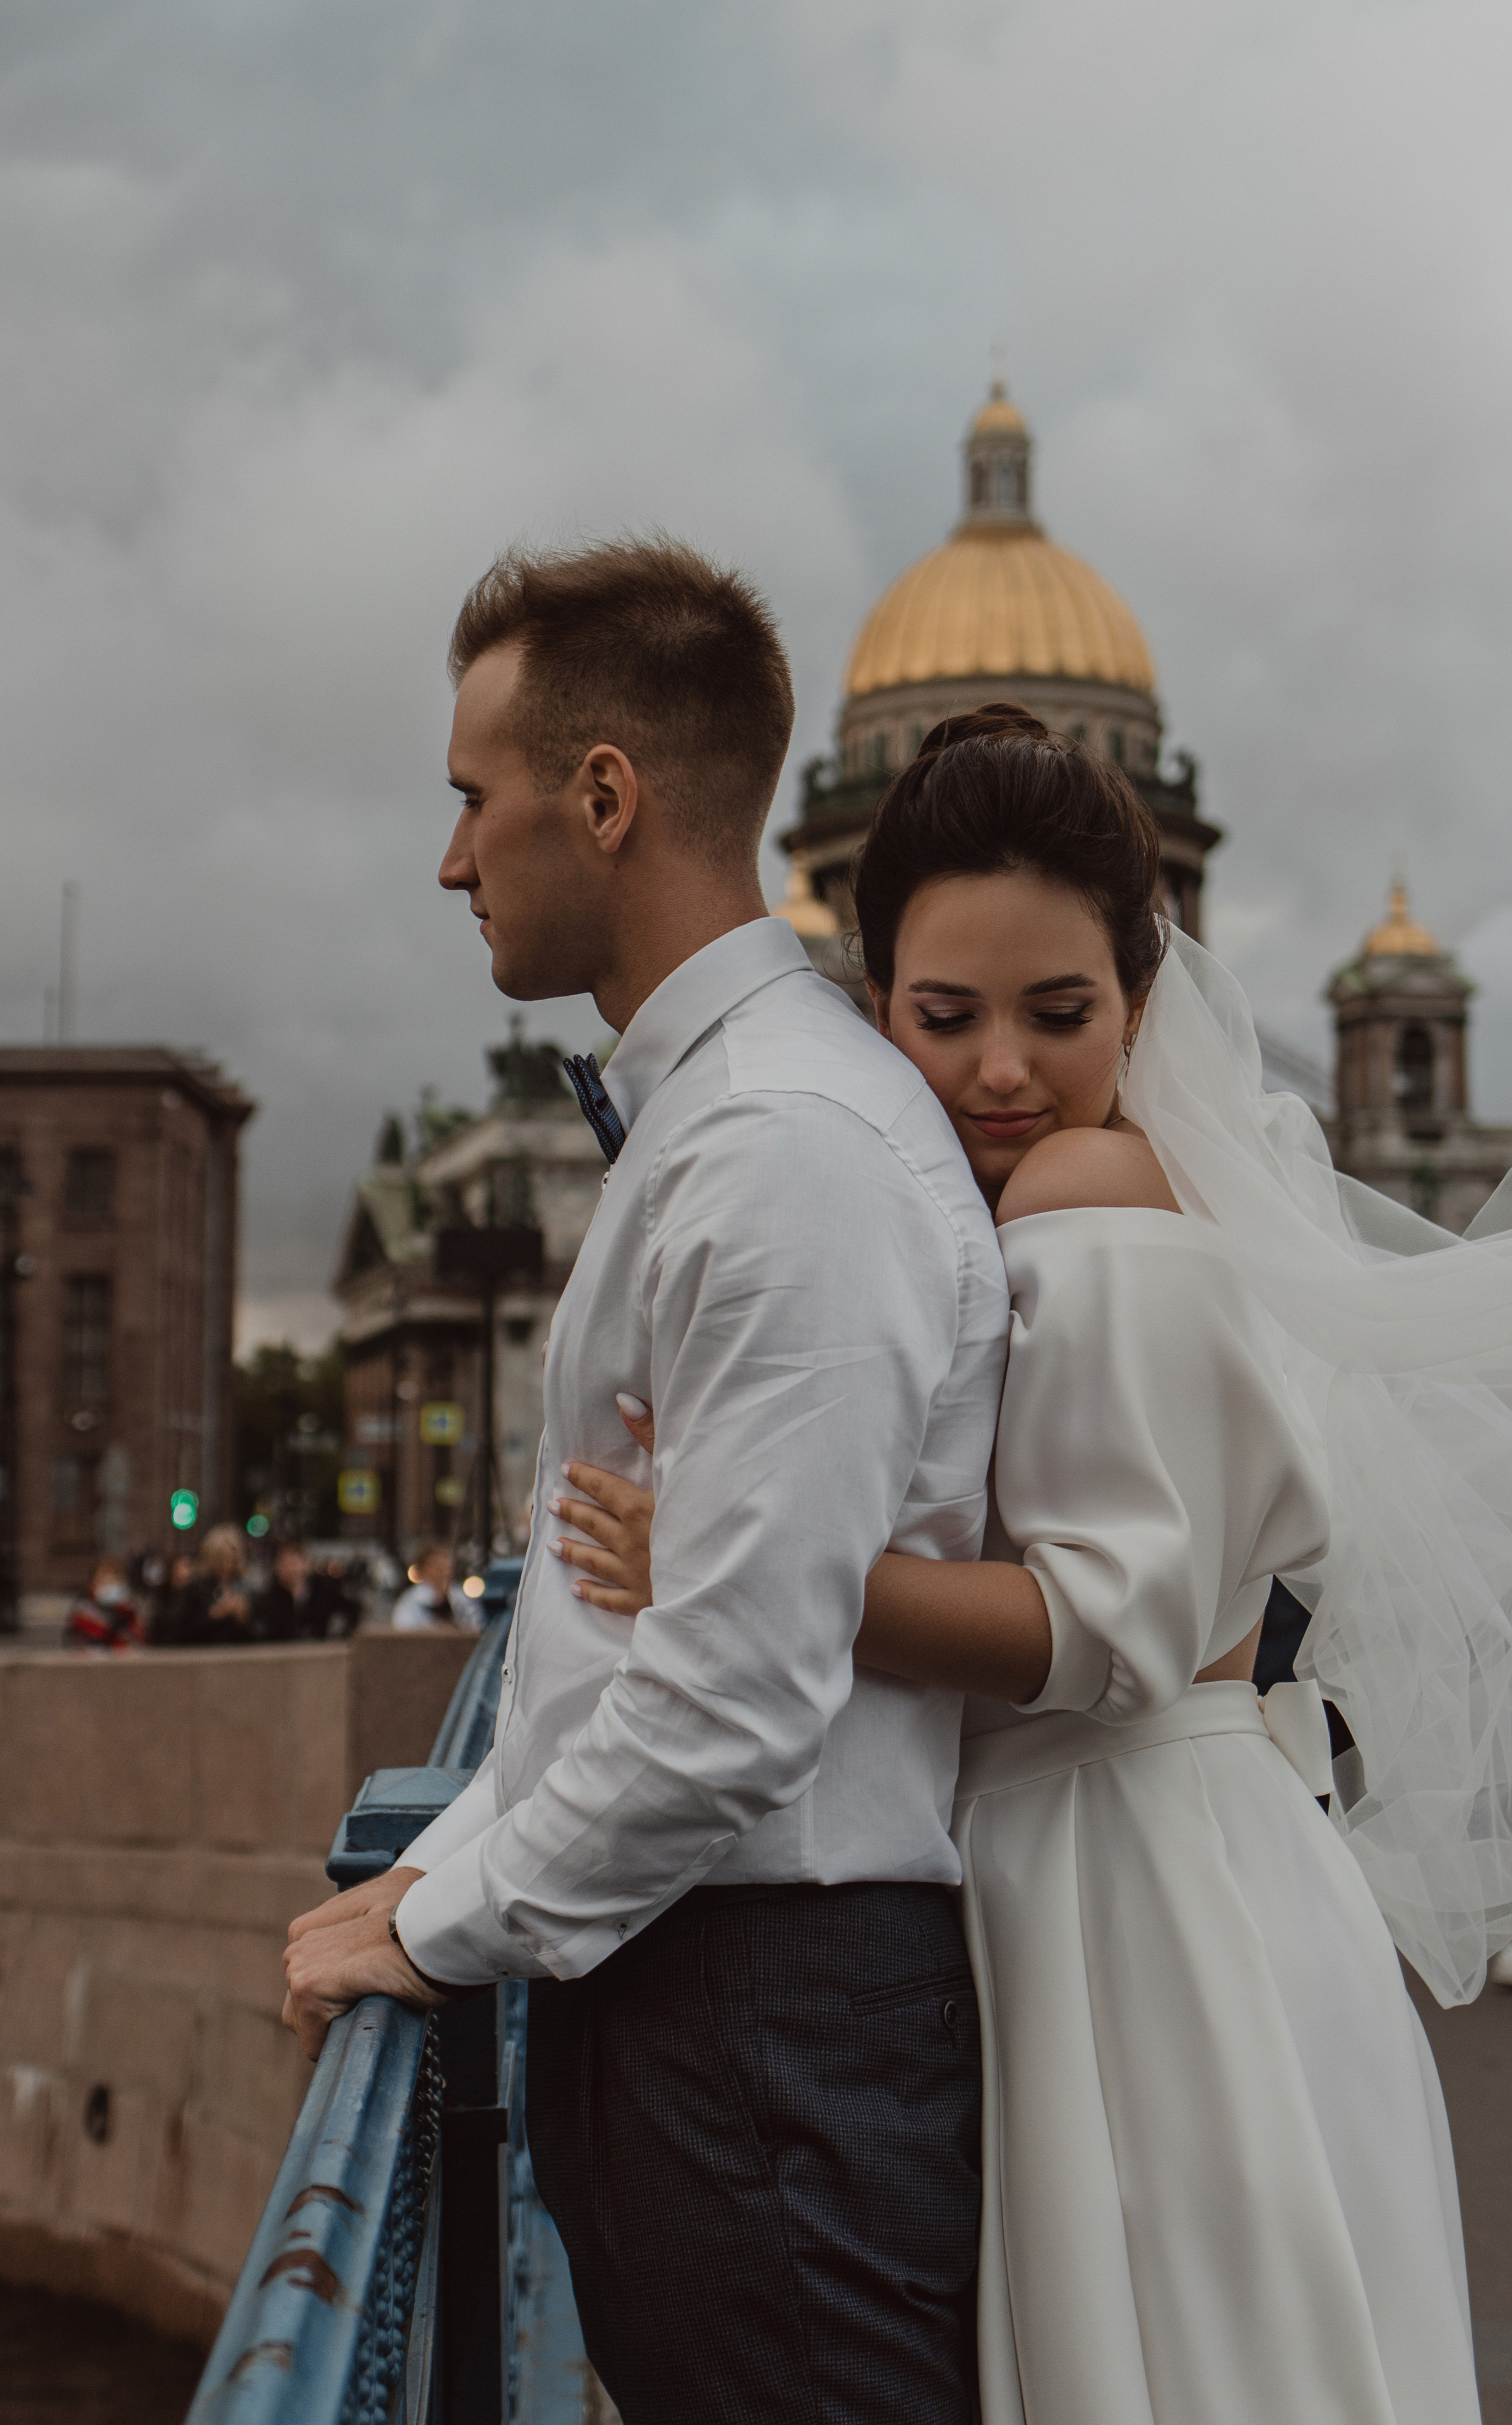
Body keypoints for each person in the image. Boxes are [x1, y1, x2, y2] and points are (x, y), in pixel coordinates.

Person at [556, 705, 1494, 2425]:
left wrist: (730, 1558)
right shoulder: (1033, 1205)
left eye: (1059, 1016)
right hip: (1163, 1873)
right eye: (946, 1017)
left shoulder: (1091, 1193)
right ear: (876, 1001)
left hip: (1138, 1895)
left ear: (1142, 1002)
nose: (1000, 1068)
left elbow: (1106, 1631)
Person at [282, 538, 1011, 2424]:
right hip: (716, 2006)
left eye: (472, 796)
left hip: (772, 2029)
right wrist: (456, 1854)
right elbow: (621, 1631)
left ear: (600, 796)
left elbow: (733, 1695)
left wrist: (429, 1916)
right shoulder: (736, 1117)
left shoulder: (780, 1144)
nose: (450, 857)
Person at [170, 1524, 251, 1646]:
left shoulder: (242, 1588)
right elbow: (181, 1629)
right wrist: (216, 1613)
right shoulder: (196, 1589)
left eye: (233, 1559)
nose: (230, 1564)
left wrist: (243, 1617)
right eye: (225, 1558)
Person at [251, 1540, 333, 1642]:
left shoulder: (322, 1595)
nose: (290, 1570)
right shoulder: (266, 1601)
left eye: (294, 1563)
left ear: (305, 1564)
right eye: (285, 1564)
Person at [64, 1554, 145, 1650]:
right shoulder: (82, 1617)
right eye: (104, 1580)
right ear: (93, 1584)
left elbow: (140, 1645)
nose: (110, 1584)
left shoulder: (131, 1614)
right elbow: (77, 1648)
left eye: (115, 1580)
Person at [390, 1540, 453, 1631]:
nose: (445, 1573)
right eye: (438, 1568)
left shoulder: (459, 1597)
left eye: (447, 1567)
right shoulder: (411, 1601)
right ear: (423, 1570)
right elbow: (403, 1632)